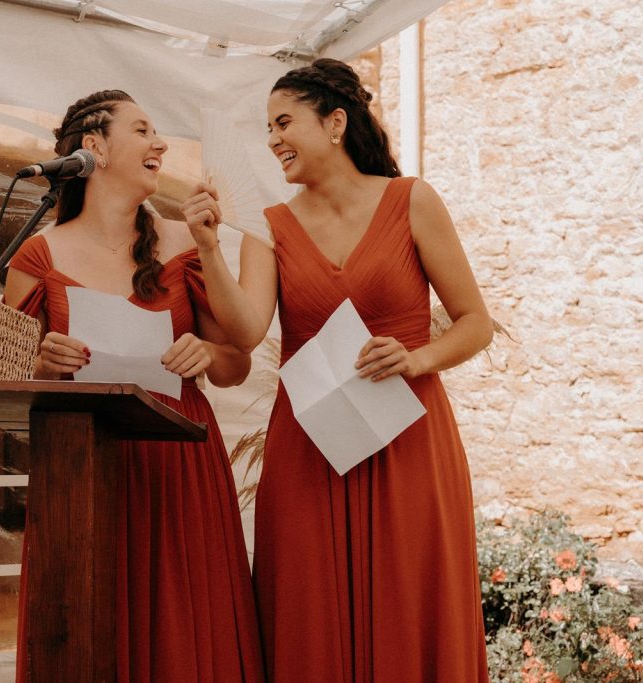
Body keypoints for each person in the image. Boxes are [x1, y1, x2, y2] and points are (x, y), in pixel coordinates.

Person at [181, 58, 492, 681]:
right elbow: (244, 330)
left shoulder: (413, 201)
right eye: (267, 127)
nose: (272, 140)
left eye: (284, 121)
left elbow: (473, 322)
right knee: (307, 601)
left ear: (335, 124)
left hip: (409, 435)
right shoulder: (267, 227)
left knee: (411, 597)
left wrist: (417, 358)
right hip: (309, 442)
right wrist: (211, 248)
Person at [3, 89, 264, 682]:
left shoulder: (182, 241)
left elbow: (236, 363)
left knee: (183, 630)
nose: (160, 144)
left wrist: (207, 352)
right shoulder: (39, 254)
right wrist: (43, 363)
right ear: (94, 148)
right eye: (143, 130)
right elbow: (0, 368)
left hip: (178, 466)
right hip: (83, 470)